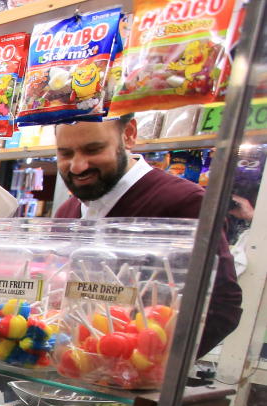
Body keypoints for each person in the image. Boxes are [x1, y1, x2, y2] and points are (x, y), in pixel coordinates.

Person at [53, 116, 242, 357]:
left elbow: (221, 307)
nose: (78, 166)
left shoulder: (185, 203)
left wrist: (146, 366)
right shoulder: (67, 212)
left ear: (129, 135)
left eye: (94, 149)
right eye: (65, 154)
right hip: (67, 371)